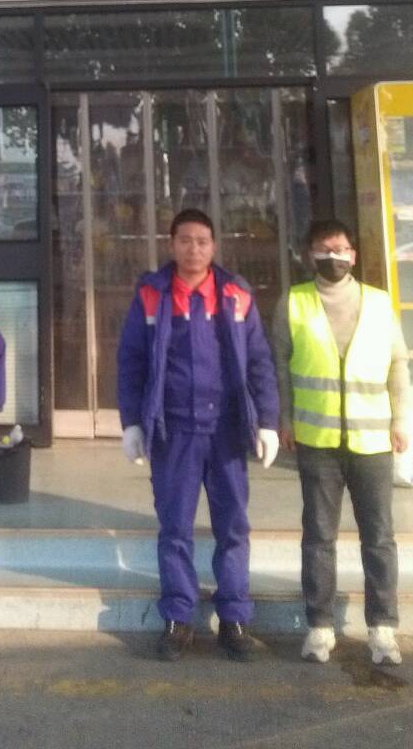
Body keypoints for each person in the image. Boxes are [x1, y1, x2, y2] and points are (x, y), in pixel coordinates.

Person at [117, 208, 280, 663]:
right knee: (174, 528)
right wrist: (132, 422)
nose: (194, 249)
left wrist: (267, 421)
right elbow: (130, 361)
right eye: (185, 240)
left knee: (233, 527)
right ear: (172, 245)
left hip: (226, 429)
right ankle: (178, 618)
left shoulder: (235, 295)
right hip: (173, 430)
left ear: (214, 246)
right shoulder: (152, 294)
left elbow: (259, 362)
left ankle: (234, 617)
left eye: (202, 241)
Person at [273, 218, 411, 667]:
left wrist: (401, 419)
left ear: (353, 254)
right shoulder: (294, 302)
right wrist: (285, 419)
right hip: (317, 441)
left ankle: (383, 626)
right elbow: (280, 367)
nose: (333, 256)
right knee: (318, 537)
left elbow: (398, 364)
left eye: (341, 249)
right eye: (324, 249)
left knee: (379, 537)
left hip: (373, 439)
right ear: (309, 254)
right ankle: (319, 625)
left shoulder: (379, 303)